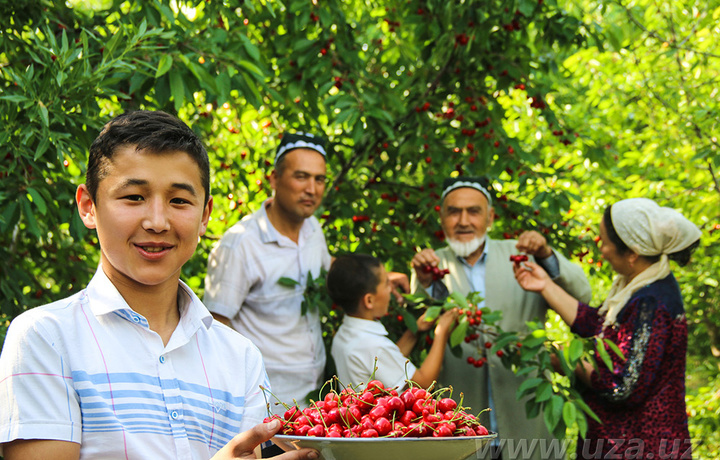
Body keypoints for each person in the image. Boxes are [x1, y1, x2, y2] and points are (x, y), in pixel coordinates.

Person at [0, 111, 317, 460]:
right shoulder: (46, 338)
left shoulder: (240, 358)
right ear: (88, 206)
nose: (157, 221)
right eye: (134, 197)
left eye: (179, 200)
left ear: (205, 214)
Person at [410, 176, 592, 460]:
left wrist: (546, 255)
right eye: (454, 211)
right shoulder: (432, 265)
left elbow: (583, 296)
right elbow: (418, 327)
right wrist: (424, 283)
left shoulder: (522, 256)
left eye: (474, 211)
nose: (463, 220)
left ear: (490, 217)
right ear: (441, 218)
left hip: (526, 415)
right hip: (458, 422)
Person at [514, 198, 700, 459]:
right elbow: (599, 329)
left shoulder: (651, 303)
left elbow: (622, 386)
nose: (602, 250)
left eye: (605, 242)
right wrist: (545, 285)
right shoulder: (639, 286)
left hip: (640, 446)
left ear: (633, 252)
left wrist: (571, 361)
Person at [204, 132, 332, 416]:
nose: (312, 188)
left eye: (319, 179)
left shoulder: (313, 230)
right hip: (265, 409)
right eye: (301, 176)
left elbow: (324, 271)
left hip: (314, 402)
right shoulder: (240, 244)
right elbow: (216, 327)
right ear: (274, 179)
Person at [327, 254, 459, 390]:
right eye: (385, 284)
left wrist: (414, 332)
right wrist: (442, 332)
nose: (391, 288)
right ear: (369, 301)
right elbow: (424, 383)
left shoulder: (344, 334)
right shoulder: (374, 345)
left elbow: (389, 361)